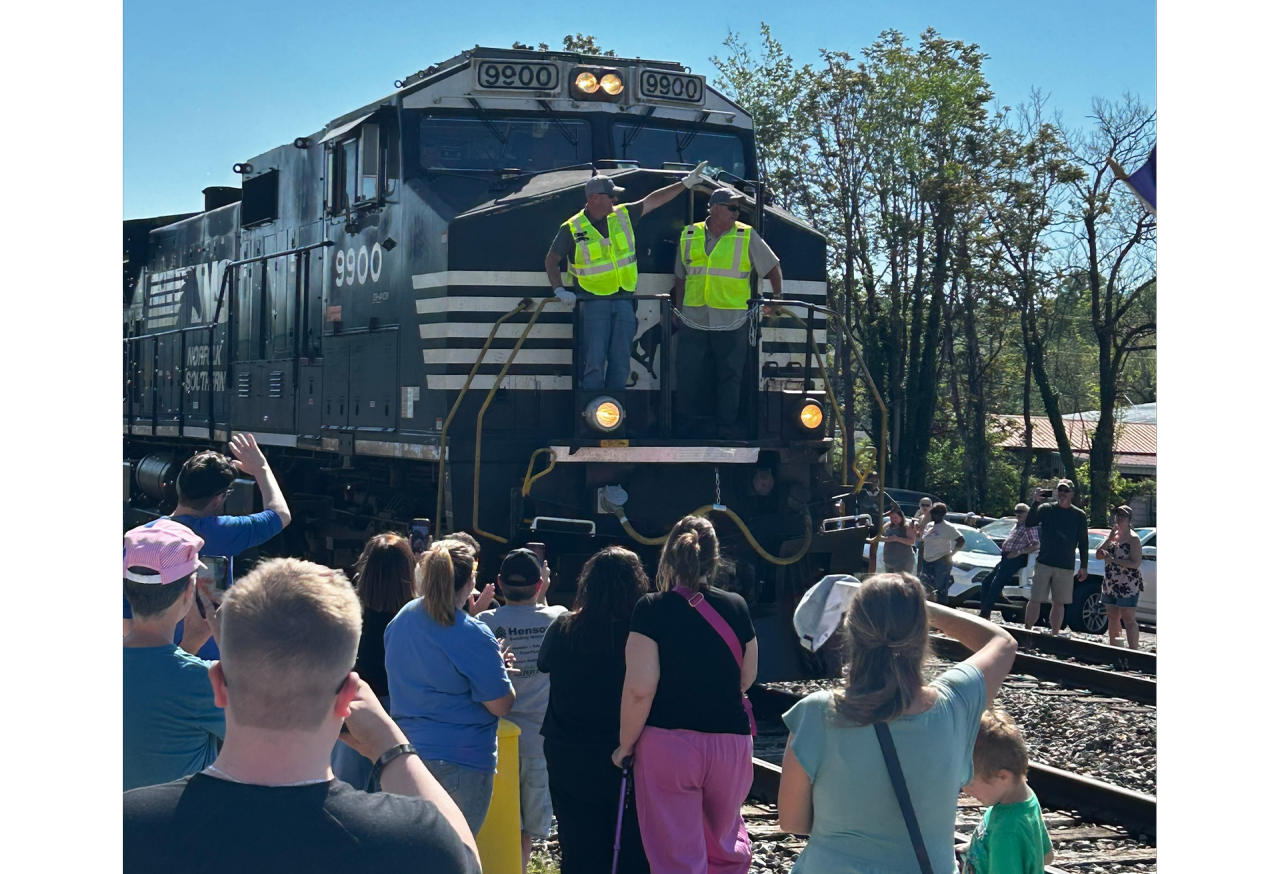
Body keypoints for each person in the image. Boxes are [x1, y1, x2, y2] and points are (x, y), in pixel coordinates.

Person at [123, 557, 480, 874]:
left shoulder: (127, 829)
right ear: (348, 698)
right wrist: (391, 748)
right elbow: (466, 861)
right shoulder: (413, 843)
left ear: (218, 684)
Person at [777, 573, 1018, 874]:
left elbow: (792, 821)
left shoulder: (817, 713)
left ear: (851, 630)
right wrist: (920, 608)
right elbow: (1003, 642)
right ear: (923, 634)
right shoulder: (956, 704)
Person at [616, 515, 757, 874]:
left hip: (670, 746)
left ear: (669, 556)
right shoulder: (737, 606)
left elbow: (639, 690)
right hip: (731, 746)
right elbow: (747, 678)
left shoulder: (650, 608)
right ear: (714, 558)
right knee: (725, 848)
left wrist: (625, 745)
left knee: (677, 856)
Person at [383, 540, 516, 834]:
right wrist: (497, 671)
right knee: (455, 857)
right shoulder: (472, 633)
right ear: (471, 581)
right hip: (461, 762)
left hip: (405, 757)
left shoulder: (401, 619)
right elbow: (501, 704)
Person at [122, 433, 293, 657]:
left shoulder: (139, 538)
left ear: (179, 487)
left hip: (154, 657)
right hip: (210, 660)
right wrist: (261, 468)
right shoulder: (224, 532)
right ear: (218, 499)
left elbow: (125, 616)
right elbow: (280, 514)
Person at [538, 547, 652, 874]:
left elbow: (544, 663)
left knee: (577, 840)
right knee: (629, 841)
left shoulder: (565, 627)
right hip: (624, 752)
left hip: (567, 751)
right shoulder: (641, 636)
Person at [545, 163, 709, 391]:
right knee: (593, 362)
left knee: (621, 362)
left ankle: (614, 414)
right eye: (610, 196)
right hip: (592, 303)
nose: (615, 200)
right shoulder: (572, 227)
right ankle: (592, 415)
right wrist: (559, 290)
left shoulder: (624, 214)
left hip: (624, 300)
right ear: (594, 198)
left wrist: (684, 184)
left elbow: (654, 200)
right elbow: (551, 260)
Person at [477, 548, 569, 873]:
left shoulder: (484, 623)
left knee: (495, 823)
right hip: (537, 744)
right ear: (541, 583)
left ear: (499, 584)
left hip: (493, 744)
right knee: (527, 830)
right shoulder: (559, 618)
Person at [123, 520, 226, 791]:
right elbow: (264, 737)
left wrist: (188, 645)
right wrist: (228, 648)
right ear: (188, 591)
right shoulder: (206, 681)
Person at [674, 187, 784, 437]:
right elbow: (680, 276)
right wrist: (678, 310)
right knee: (687, 370)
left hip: (732, 318)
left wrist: (776, 299)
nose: (737, 213)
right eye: (732, 208)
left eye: (738, 209)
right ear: (714, 209)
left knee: (731, 373)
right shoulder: (688, 234)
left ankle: (726, 425)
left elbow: (773, 267)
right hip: (694, 316)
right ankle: (685, 424)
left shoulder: (746, 235)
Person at [331, 533, 419, 791]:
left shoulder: (348, 612)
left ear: (366, 568)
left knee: (348, 790)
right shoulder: (416, 618)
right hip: (404, 710)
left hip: (353, 706)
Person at [961, 710, 1055, 874]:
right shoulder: (1025, 799)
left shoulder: (1005, 832)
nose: (965, 790)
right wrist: (975, 847)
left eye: (970, 781)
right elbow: (1047, 855)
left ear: (1002, 776)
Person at [1023, 479, 1089, 636]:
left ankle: (1054, 634)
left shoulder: (1079, 515)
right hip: (1044, 562)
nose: (1062, 493)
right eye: (1060, 490)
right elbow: (1029, 523)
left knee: (1059, 602)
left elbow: (1083, 542)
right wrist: (1035, 503)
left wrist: (1084, 566)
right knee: (1035, 599)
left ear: (1072, 493)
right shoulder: (1046, 509)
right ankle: (1027, 631)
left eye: (1066, 491)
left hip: (1065, 565)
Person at [978, 504, 1039, 621]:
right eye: (1016, 511)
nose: (1018, 514)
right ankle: (1000, 603)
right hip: (1006, 557)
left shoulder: (1029, 526)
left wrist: (1019, 552)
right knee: (986, 581)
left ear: (1028, 513)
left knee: (996, 583)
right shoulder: (1016, 525)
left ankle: (985, 613)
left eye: (1021, 511)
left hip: (1016, 558)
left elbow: (1035, 545)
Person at [1095, 505, 1144, 648]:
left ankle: (1133, 650)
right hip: (1110, 583)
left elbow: (1135, 563)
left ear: (1129, 519)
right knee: (1112, 617)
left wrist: (1114, 560)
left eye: (1123, 515)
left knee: (1128, 619)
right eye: (1118, 515)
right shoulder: (1112, 536)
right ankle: (1115, 647)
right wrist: (1109, 539)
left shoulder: (1133, 539)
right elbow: (1099, 555)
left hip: (1127, 585)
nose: (1120, 518)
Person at [918, 502, 965, 604]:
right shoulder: (929, 525)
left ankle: (942, 609)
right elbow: (923, 541)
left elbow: (961, 540)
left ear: (941, 514)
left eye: (935, 513)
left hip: (941, 560)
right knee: (925, 587)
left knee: (941, 589)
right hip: (927, 560)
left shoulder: (948, 527)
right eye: (932, 512)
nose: (933, 515)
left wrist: (952, 554)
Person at [880, 506, 917, 574]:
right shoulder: (888, 525)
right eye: (892, 518)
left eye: (896, 518)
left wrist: (897, 539)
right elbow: (879, 536)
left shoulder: (906, 526)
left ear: (901, 516)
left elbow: (912, 541)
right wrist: (887, 539)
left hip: (903, 561)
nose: (894, 520)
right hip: (889, 560)